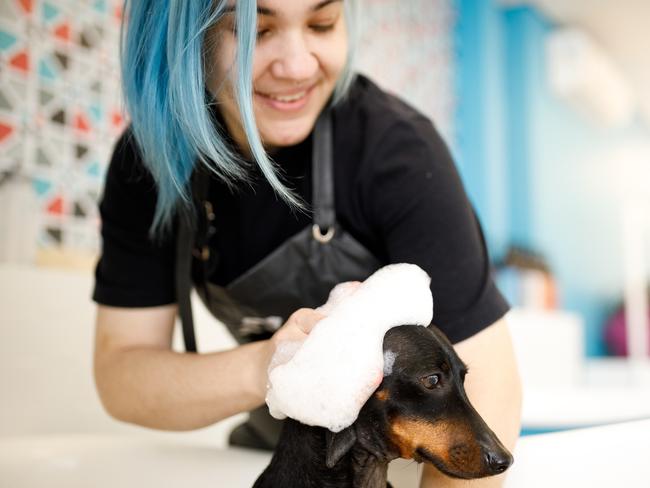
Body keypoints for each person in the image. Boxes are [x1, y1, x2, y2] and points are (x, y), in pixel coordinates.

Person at [92, 0, 522, 486]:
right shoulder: (150, 165)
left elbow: (487, 382)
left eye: (322, 23)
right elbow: (122, 378)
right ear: (182, 37)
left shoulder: (397, 152)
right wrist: (272, 367)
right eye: (254, 29)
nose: (296, 66)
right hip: (279, 453)